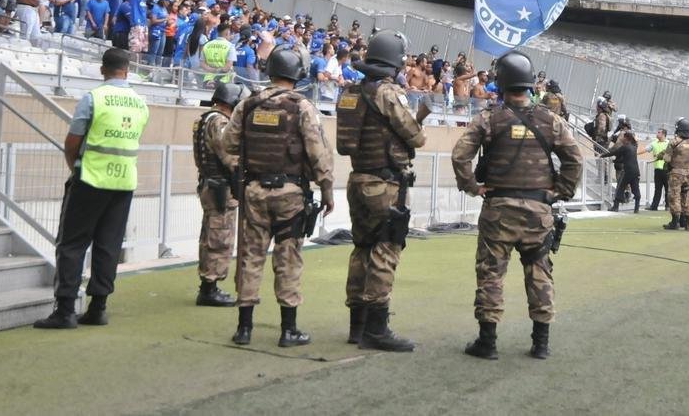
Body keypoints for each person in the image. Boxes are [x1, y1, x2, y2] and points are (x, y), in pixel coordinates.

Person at [450, 50, 582, 361]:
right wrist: (558, 192)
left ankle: (488, 342)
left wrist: (473, 187)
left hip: (498, 210)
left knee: (491, 274)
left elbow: (460, 156)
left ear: (502, 83)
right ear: (529, 84)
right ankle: (541, 343)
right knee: (539, 273)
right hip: (538, 211)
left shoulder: (488, 119)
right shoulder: (551, 121)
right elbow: (574, 159)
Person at [219, 45, 335, 348]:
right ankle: (288, 329)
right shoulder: (302, 107)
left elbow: (227, 144)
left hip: (254, 191)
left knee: (250, 256)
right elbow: (319, 153)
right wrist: (327, 190)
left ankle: (244, 329)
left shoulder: (248, 105)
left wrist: (242, 169)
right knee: (288, 258)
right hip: (290, 193)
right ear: (297, 75)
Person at [34, 48, 150, 329]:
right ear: (128, 70)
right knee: (108, 245)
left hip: (91, 178)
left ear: (102, 70)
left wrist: (75, 167)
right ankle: (98, 307)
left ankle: (65, 310)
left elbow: (73, 141)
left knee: (72, 243)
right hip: (123, 181)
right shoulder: (140, 103)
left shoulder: (94, 98)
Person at [335, 31, 428, 351]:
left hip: (357, 179)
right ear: (396, 62)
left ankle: (357, 326)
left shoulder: (349, 92)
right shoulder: (389, 93)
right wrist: (418, 122)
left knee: (361, 247)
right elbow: (415, 137)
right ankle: (377, 329)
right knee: (386, 250)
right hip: (385, 185)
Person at [193, 82, 242, 308]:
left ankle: (208, 284)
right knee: (219, 238)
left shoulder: (204, 119)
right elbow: (229, 156)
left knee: (210, 235)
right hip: (220, 188)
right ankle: (210, 288)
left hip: (209, 184)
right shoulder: (220, 121)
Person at [662, 119, 689, 231]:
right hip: (688, 173)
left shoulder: (673, 142)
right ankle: (687, 223)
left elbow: (666, 158)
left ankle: (675, 222)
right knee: (687, 197)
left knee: (674, 196)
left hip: (676, 173)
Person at [599, 130, 640, 212]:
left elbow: (614, 152)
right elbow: (626, 158)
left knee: (620, 188)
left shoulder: (625, 147)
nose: (622, 139)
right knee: (635, 189)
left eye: (623, 137)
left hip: (628, 171)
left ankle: (615, 207)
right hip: (636, 171)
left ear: (627, 138)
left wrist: (602, 155)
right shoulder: (634, 147)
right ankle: (636, 208)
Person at [644, 128, 669, 211]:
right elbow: (646, 149)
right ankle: (654, 206)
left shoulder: (669, 143)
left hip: (667, 169)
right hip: (657, 170)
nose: (657, 134)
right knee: (657, 189)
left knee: (668, 188)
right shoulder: (654, 143)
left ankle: (668, 206)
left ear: (663, 134)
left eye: (659, 132)